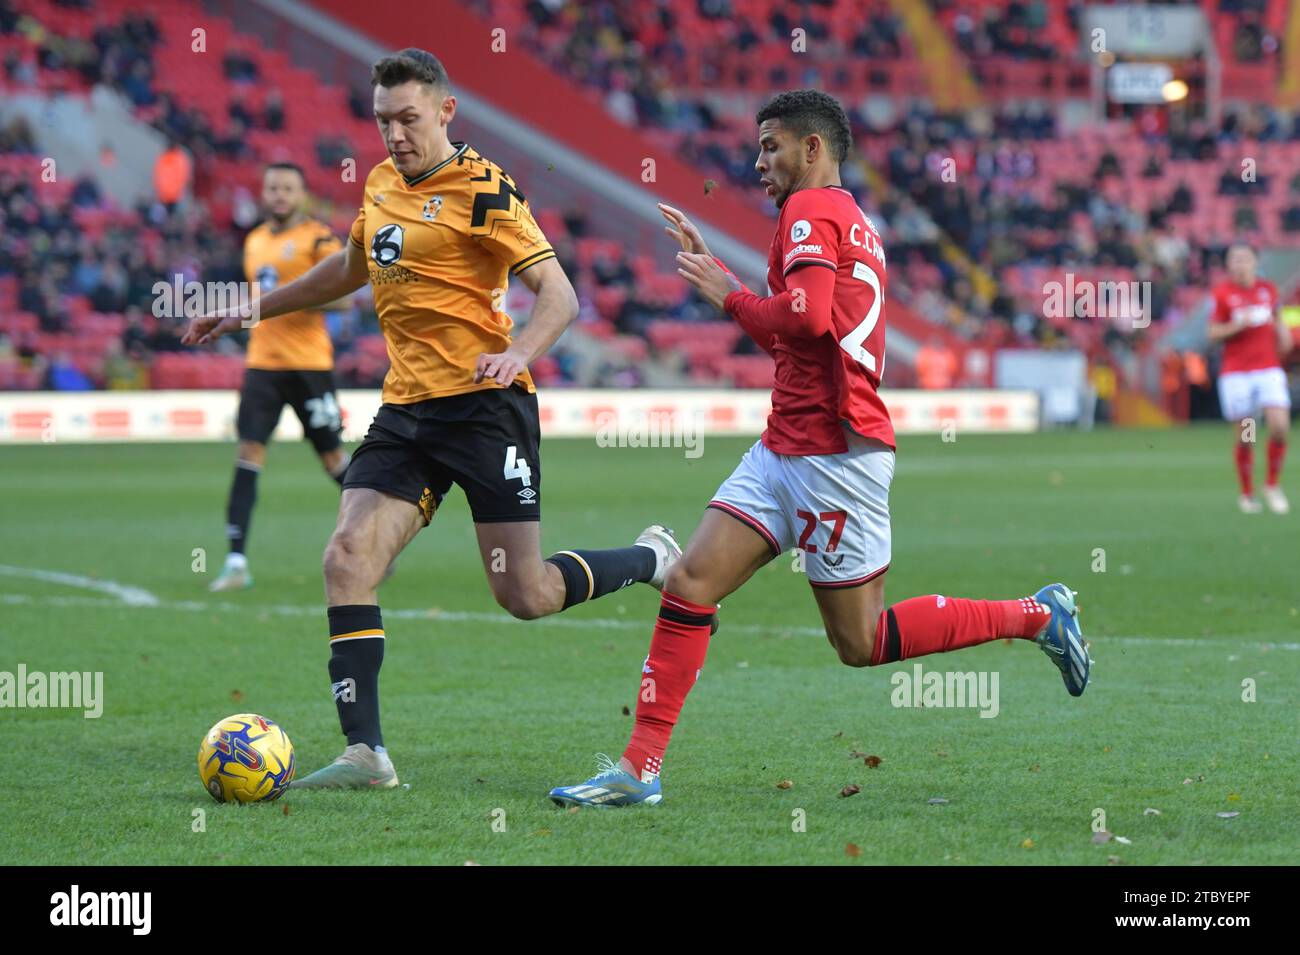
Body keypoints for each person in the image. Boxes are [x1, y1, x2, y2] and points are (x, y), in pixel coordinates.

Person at [549, 89, 1091, 808]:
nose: (758, 160)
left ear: (813, 148)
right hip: (787, 443)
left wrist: (731, 297)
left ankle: (1037, 614)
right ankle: (639, 768)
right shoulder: (854, 220)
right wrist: (733, 289)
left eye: (771, 145)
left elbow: (800, 320)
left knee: (859, 642)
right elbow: (807, 328)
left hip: (835, 453)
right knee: (690, 582)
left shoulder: (811, 209)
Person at [181, 49, 679, 789]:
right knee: (346, 557)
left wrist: (517, 353)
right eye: (383, 120)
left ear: (446, 111)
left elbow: (560, 296)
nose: (394, 135)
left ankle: (650, 559)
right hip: (407, 409)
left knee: (525, 594)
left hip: (486, 409)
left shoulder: (485, 190)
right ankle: (365, 752)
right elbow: (349, 268)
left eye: (408, 118)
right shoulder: (380, 184)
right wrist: (255, 306)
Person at [209, 162, 353, 592]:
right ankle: (236, 563)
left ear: (303, 195)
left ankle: (375, 540)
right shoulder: (252, 242)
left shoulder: (320, 239)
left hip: (310, 366)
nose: (279, 195)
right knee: (248, 452)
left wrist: (297, 299)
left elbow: (345, 301)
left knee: (332, 458)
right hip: (263, 366)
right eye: (272, 187)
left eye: (288, 188)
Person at [1207, 242, 1291, 514]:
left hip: (1267, 368)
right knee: (1247, 434)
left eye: (1244, 259)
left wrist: (1283, 334)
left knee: (1279, 425)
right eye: (1234, 260)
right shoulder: (1223, 294)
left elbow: (1277, 320)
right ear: (1229, 265)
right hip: (1237, 373)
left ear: (1255, 262)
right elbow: (1212, 333)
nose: (1239, 264)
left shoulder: (1268, 290)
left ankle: (1272, 484)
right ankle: (1247, 492)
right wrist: (1236, 325)